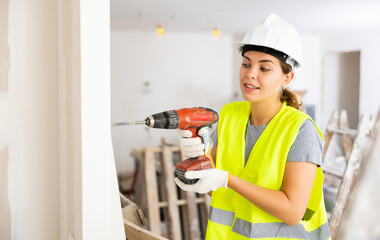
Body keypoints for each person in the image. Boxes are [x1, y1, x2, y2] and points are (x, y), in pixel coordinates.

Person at [174, 13, 331, 240]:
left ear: (287, 79)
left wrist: (226, 179)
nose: (250, 74)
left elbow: (292, 212)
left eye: (264, 68)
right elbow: (218, 189)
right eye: (246, 64)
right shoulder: (230, 115)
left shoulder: (300, 130)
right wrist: (197, 164)